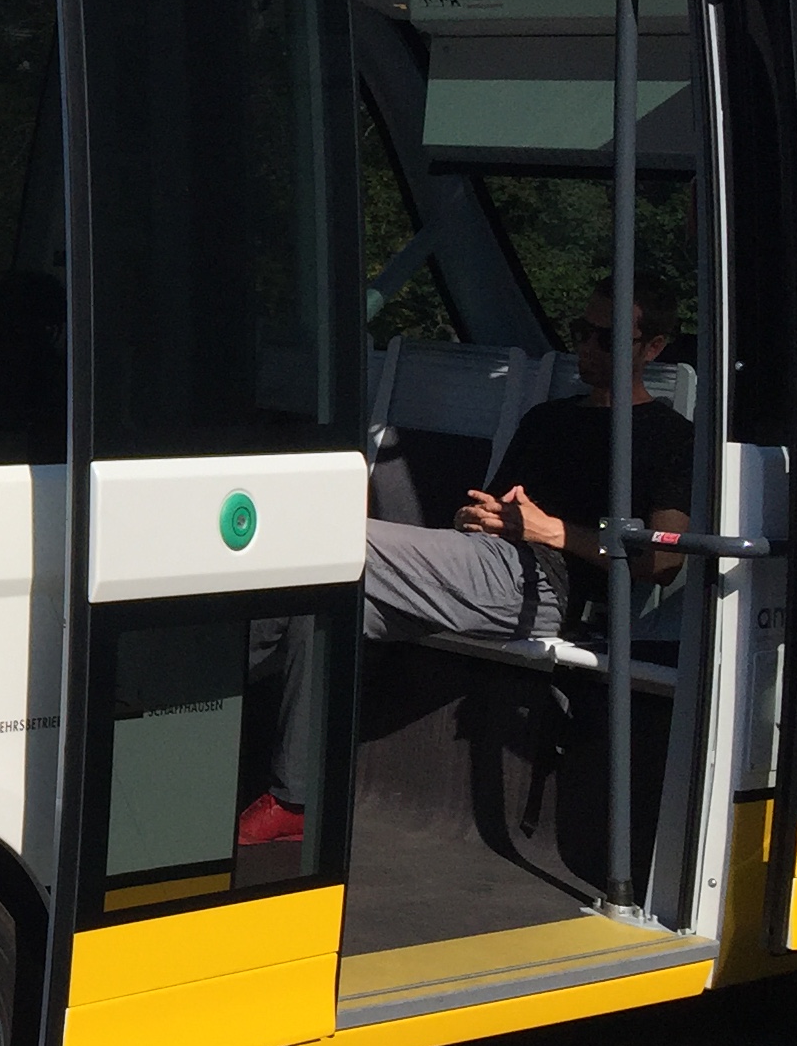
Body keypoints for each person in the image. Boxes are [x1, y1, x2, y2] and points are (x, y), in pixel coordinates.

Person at [236, 279, 693, 846]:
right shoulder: (546, 419)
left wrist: (553, 531)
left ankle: (179, 689)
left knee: (330, 541)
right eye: (581, 332)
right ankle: (295, 798)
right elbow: (495, 511)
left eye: (608, 337)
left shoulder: (671, 437)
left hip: (549, 585)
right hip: (490, 562)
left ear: (653, 348)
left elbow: (663, 560)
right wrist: (479, 517)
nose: (588, 347)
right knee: (320, 599)